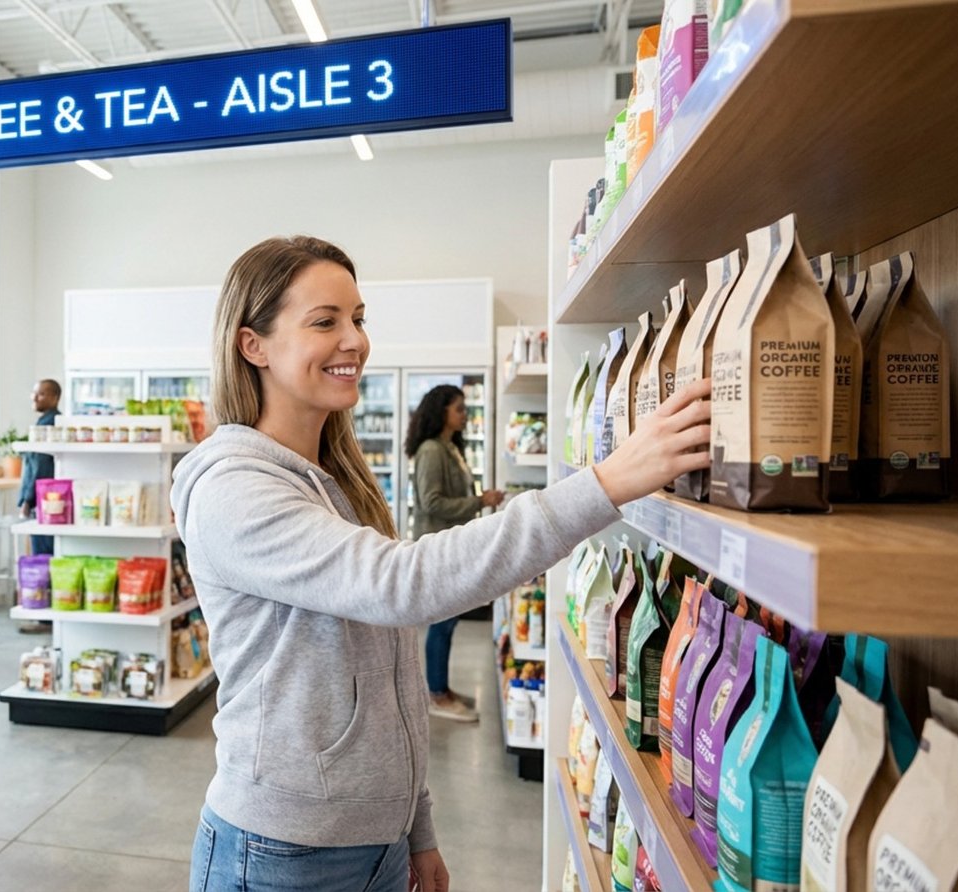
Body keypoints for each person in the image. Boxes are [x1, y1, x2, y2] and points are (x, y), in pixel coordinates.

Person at [169, 236, 711, 892]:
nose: (355, 341)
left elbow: (388, 665)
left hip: (376, 841)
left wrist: (415, 829)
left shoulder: (334, 476)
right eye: (325, 321)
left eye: (358, 318)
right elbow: (401, 586)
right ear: (252, 345)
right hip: (283, 851)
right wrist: (606, 484)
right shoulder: (233, 487)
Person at [407, 384, 505, 723]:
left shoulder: (450, 447)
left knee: (447, 623)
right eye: (459, 409)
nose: (465, 414)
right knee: (441, 624)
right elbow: (431, 502)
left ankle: (442, 689)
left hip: (451, 546)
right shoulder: (432, 450)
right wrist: (480, 502)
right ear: (442, 411)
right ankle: (436, 694)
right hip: (438, 549)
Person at [17, 378, 61, 634]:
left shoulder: (48, 426)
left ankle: (47, 618)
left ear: (55, 398)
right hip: (49, 502)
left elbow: (40, 468)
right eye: (34, 393)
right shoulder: (46, 423)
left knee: (44, 557)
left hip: (44, 504)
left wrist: (28, 500)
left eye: (42, 394)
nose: (35, 398)